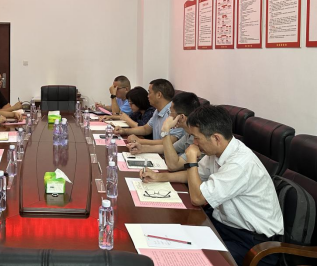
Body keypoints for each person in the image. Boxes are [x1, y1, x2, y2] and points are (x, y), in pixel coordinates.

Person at [140, 106, 283, 266]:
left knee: (185, 258)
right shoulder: (218, 151)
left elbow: (198, 199)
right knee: (169, 235)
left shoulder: (240, 164)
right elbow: (194, 176)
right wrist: (160, 177)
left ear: (216, 138)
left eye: (196, 138)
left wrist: (192, 160)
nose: (194, 143)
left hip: (251, 241)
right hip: (224, 225)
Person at [128, 92, 202, 171]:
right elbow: (168, 148)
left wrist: (165, 130)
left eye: (171, 113)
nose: (169, 116)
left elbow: (173, 166)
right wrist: (142, 148)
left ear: (182, 117)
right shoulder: (188, 133)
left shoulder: (198, 138)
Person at [115, 79, 184, 145]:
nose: (147, 96)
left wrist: (140, 141)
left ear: (159, 95)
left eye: (149, 93)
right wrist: (124, 131)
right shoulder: (157, 110)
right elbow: (146, 129)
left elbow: (169, 143)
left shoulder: (174, 113)